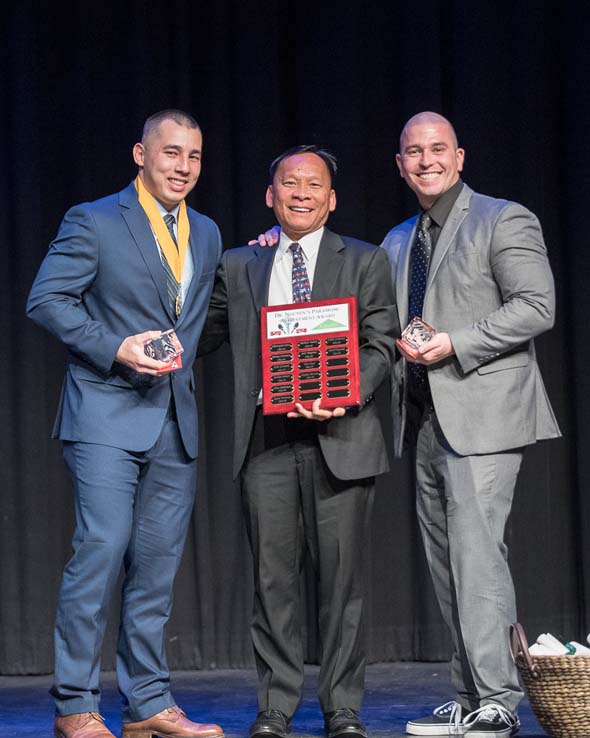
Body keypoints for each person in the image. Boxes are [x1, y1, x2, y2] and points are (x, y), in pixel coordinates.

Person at [26, 110, 224, 738]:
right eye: (171, 153)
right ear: (141, 154)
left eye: (193, 156)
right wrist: (115, 345)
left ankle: (147, 705)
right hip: (107, 411)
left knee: (157, 566)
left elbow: (206, 315)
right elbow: (46, 299)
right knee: (102, 551)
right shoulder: (94, 220)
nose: (182, 166)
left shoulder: (210, 232)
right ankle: (76, 706)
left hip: (175, 421)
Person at [198, 145, 398, 738]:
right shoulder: (240, 265)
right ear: (270, 195)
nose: (302, 193)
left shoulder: (364, 261)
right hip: (266, 442)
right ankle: (274, 708)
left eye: (314, 185)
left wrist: (347, 392)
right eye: (290, 183)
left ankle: (343, 710)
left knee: (343, 586)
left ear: (332, 199)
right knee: (271, 583)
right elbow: (199, 329)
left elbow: (380, 342)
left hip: (342, 434)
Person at [382, 112, 561, 738]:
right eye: (413, 151)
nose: (426, 159)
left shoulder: (502, 218)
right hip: (424, 418)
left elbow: (537, 306)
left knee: (478, 556)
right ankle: (468, 693)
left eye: (437, 149)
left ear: (459, 157)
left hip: (484, 414)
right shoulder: (399, 238)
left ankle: (498, 701)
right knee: (446, 562)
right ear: (400, 164)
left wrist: (456, 342)